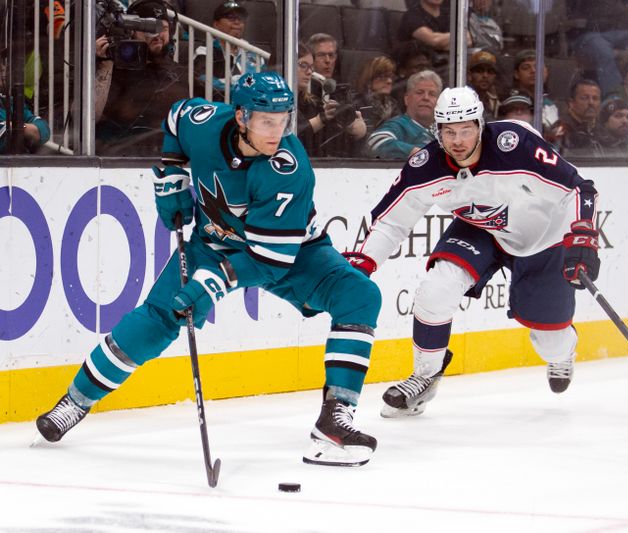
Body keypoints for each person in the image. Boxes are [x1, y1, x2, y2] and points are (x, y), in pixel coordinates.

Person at [36, 72, 382, 467]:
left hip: (291, 252)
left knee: (359, 295)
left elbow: (270, 261)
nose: (278, 131)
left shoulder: (288, 169)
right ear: (241, 116)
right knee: (158, 318)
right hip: (213, 243)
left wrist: (216, 282)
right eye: (267, 121)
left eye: (284, 119)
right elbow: (175, 117)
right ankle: (75, 402)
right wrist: (171, 173)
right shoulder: (202, 122)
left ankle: (335, 415)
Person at [345, 86, 600, 417]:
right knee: (436, 290)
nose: (458, 140)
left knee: (550, 342)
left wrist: (582, 235)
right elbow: (391, 221)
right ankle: (425, 377)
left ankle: (563, 352)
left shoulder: (516, 145)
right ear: (437, 132)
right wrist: (362, 264)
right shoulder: (426, 165)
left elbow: (579, 188)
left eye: (466, 130)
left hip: (544, 238)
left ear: (481, 125)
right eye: (449, 132)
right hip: (482, 230)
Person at [94, 0, 189, 156]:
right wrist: (104, 63)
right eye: (149, 28)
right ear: (132, 31)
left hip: (167, 157)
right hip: (118, 160)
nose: (157, 34)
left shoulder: (178, 71)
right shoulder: (114, 66)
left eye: (163, 28)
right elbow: (91, 116)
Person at [305, 33, 367, 157]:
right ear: (310, 59)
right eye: (321, 55)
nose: (328, 61)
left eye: (331, 55)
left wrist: (361, 133)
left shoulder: (344, 92)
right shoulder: (302, 92)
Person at [193, 1, 267, 102]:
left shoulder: (255, 54)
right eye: (231, 18)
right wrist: (241, 90)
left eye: (240, 18)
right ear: (216, 24)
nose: (237, 22)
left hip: (251, 110)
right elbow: (202, 81)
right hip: (218, 110)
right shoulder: (205, 51)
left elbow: (264, 84)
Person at [570, 0, 628, 94]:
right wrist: (623, 10)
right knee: (604, 52)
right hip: (589, 34)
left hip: (617, 32)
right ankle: (615, 97)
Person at [366, 70, 441, 159]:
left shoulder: (442, 130)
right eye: (420, 92)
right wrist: (421, 154)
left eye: (432, 94)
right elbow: (374, 142)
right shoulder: (399, 124)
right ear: (407, 99)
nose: (426, 98)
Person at [352, 55, 402, 139]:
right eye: (383, 77)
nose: (389, 81)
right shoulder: (358, 105)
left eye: (391, 77)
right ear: (369, 79)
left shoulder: (393, 106)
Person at [511, 49, 558, 133]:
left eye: (538, 66)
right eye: (526, 67)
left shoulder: (551, 105)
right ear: (516, 74)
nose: (533, 71)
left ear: (546, 72)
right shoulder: (511, 103)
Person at [558, 78, 602, 155]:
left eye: (595, 98)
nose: (591, 103)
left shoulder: (604, 129)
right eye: (585, 98)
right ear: (571, 103)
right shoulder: (560, 130)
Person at [466, 50, 501, 122]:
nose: (485, 75)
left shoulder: (496, 102)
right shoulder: (462, 98)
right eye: (479, 71)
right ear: (469, 75)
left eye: (490, 71)